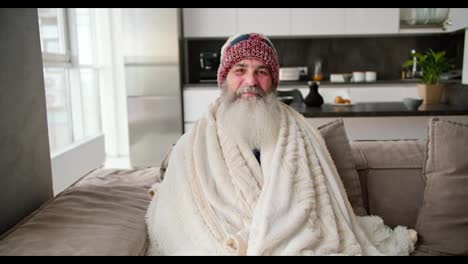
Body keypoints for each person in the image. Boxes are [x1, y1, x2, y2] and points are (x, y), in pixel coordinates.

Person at [145, 33, 417, 256]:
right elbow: (180, 209)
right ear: (225, 79)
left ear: (272, 81)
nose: (250, 81)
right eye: (240, 70)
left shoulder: (299, 131)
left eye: (261, 72)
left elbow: (317, 208)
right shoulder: (194, 142)